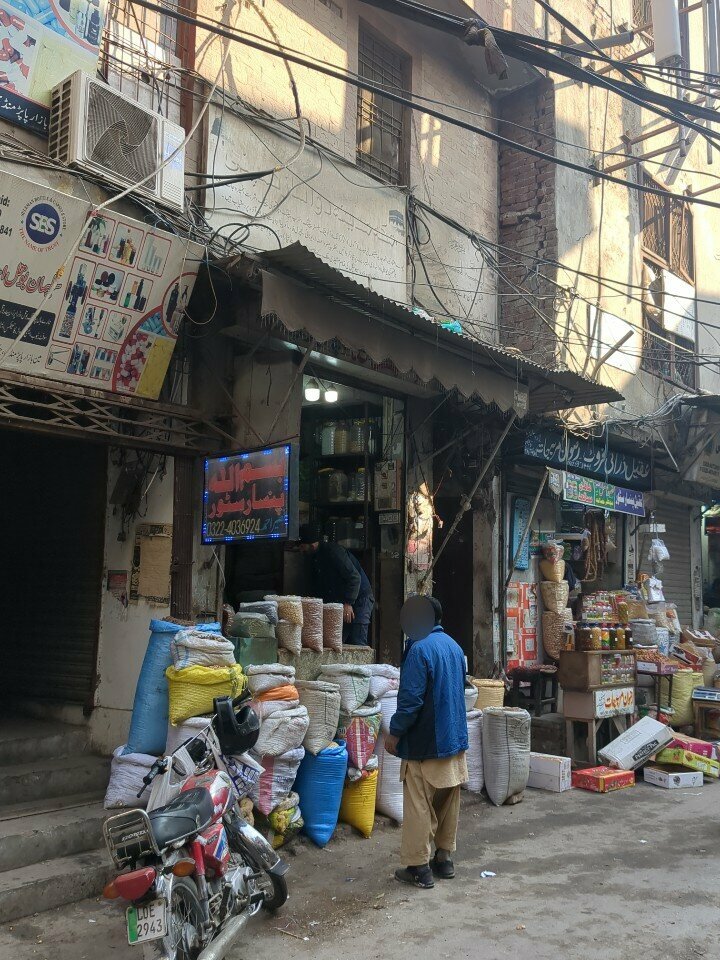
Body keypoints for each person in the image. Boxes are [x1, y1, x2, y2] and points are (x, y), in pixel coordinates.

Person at [385, 597, 469, 889]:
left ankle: (418, 868)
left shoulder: (419, 650)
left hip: (426, 743)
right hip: (455, 740)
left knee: (419, 804)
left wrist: (394, 733)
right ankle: (444, 860)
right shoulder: (455, 647)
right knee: (447, 803)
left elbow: (410, 701)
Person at [297, 523, 375, 645]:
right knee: (337, 640)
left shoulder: (334, 552)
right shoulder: (314, 558)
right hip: (341, 602)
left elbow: (354, 578)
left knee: (357, 640)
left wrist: (348, 603)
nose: (300, 550)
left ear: (311, 545)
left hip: (359, 598)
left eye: (302, 546)